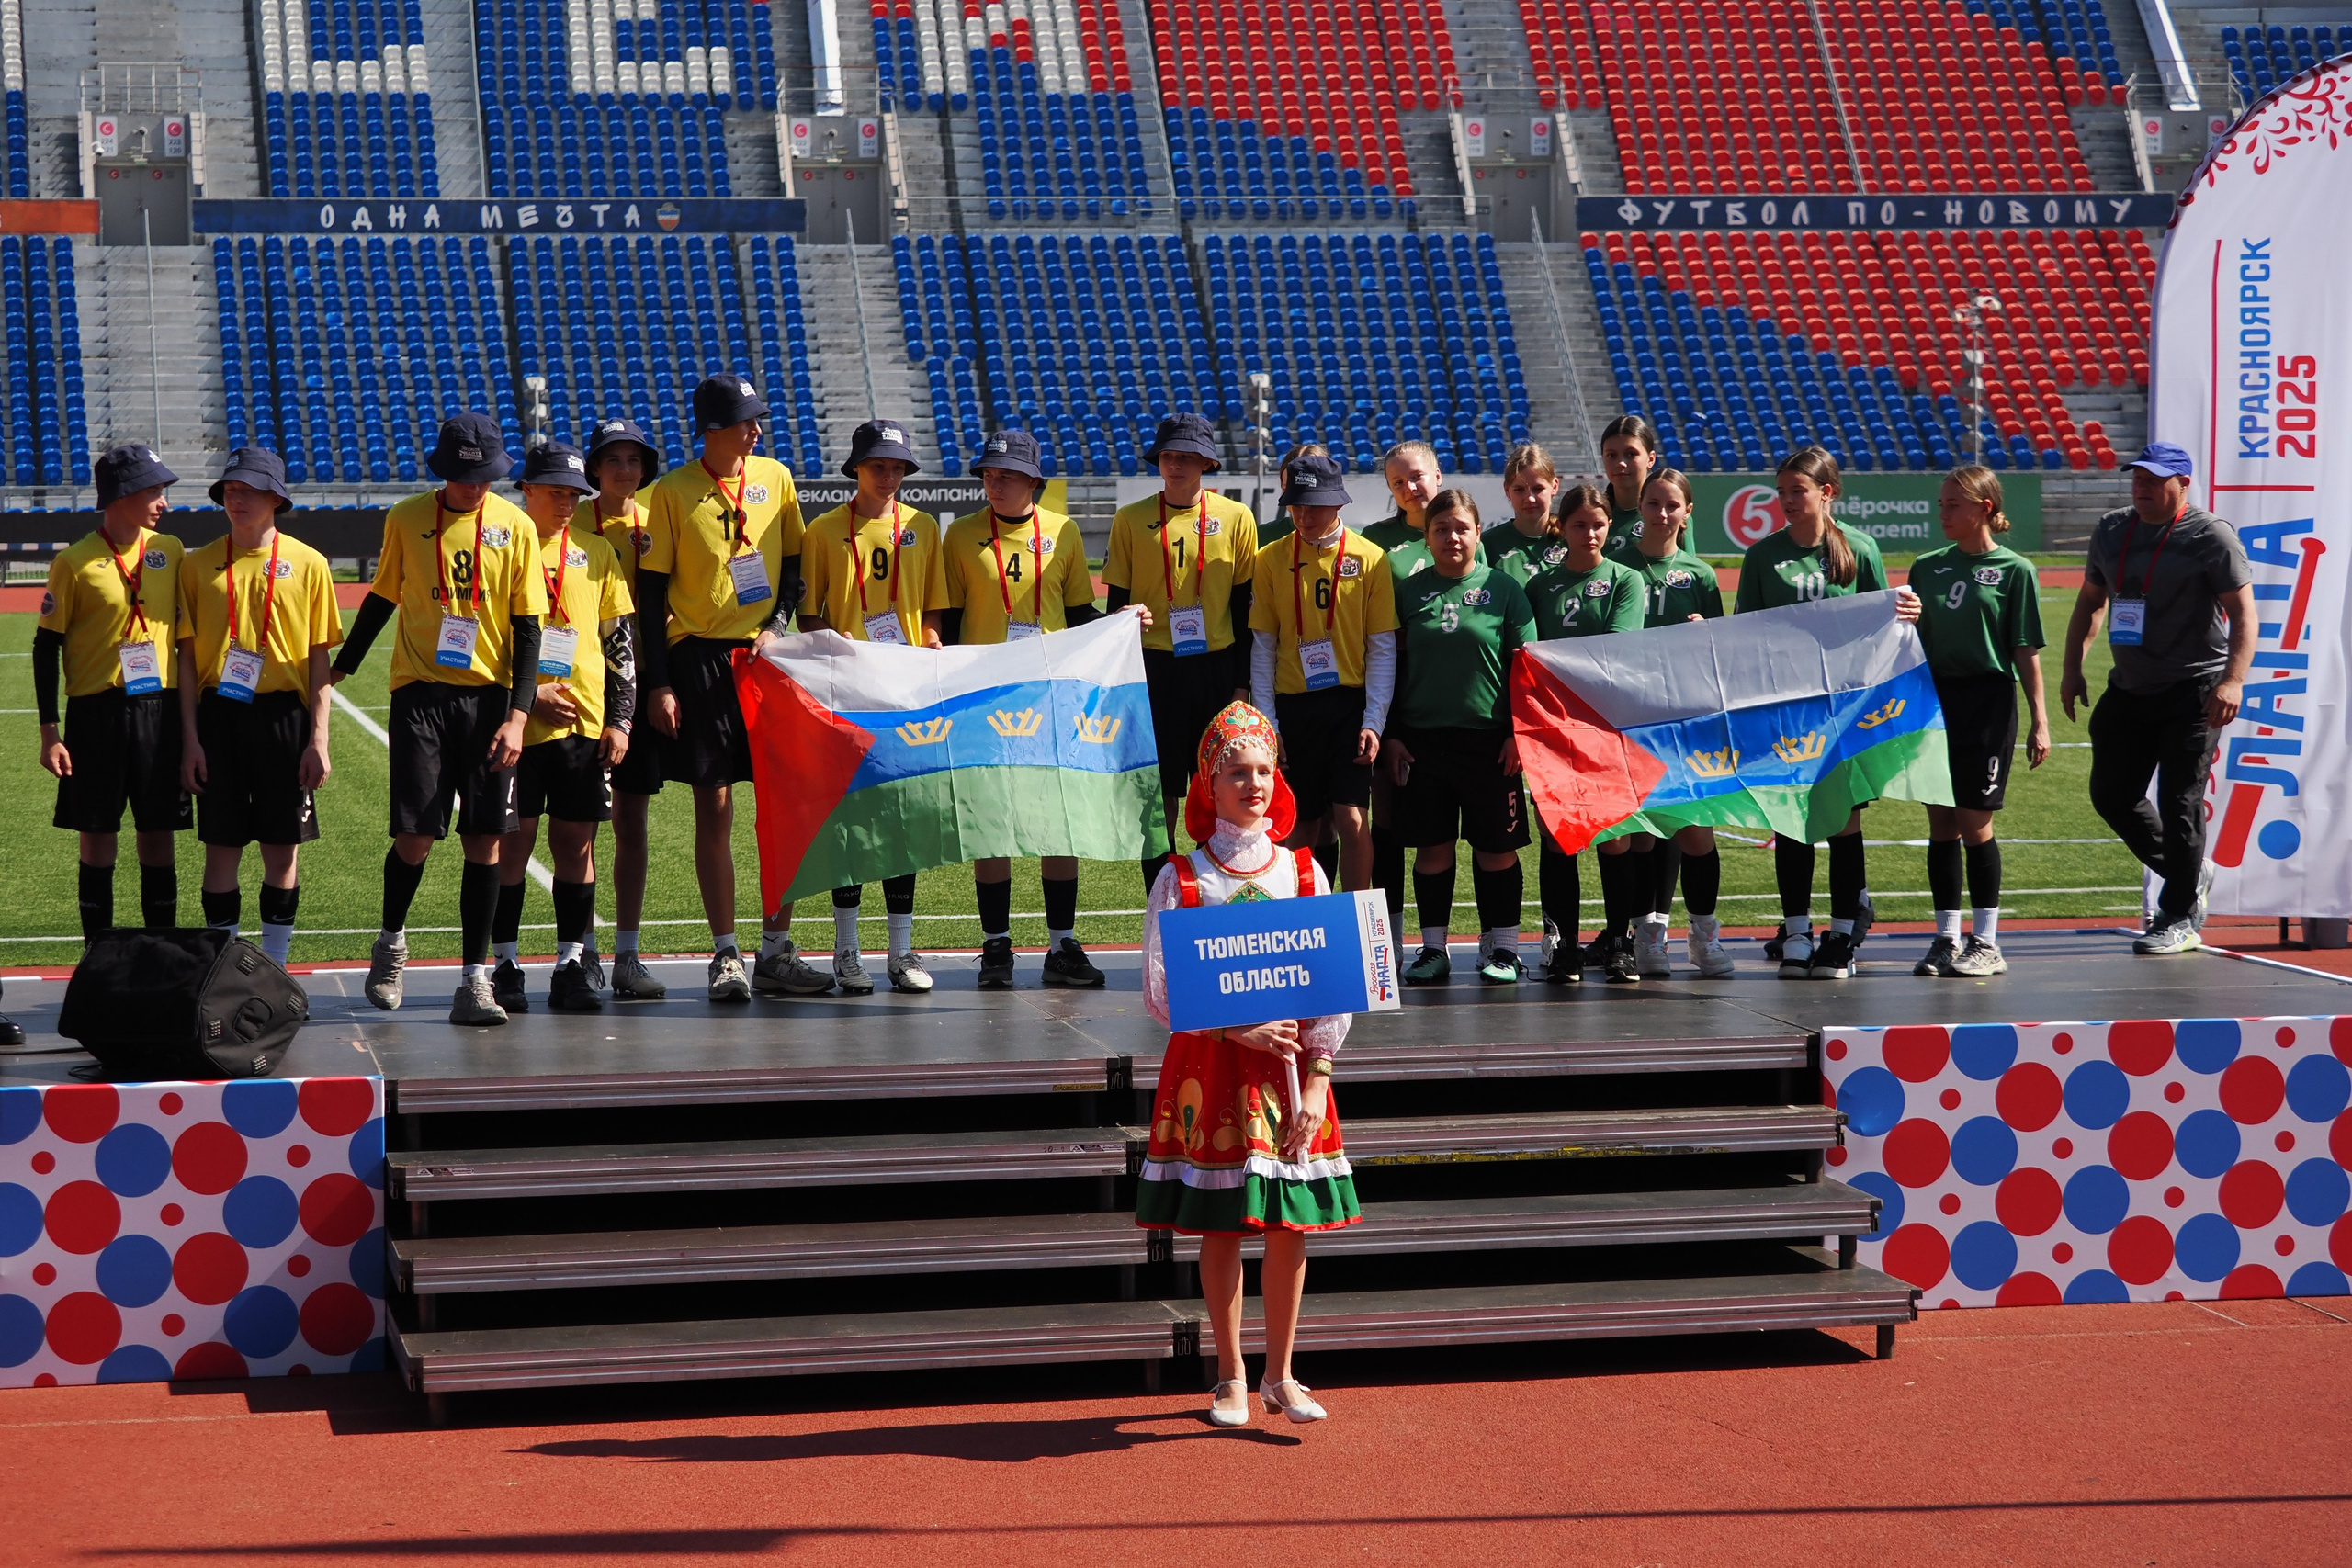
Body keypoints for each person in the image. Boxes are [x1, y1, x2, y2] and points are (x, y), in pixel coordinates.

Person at [1136, 700, 1360, 1427]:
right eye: (1237, 771)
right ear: (1210, 782)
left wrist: (1319, 1077)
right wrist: (1237, 1028)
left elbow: (1334, 982)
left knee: (1290, 1226)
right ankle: (1230, 1374)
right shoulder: (1184, 876)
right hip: (1215, 1069)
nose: (1254, 783)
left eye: (1264, 770)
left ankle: (1282, 1373)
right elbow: (1161, 987)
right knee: (1226, 1226)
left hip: (1291, 1074)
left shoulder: (1304, 869)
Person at [332, 413, 547, 1025]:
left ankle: (474, 980)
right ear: (444, 470)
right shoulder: (405, 518)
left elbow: (529, 626)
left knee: (484, 840)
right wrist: (341, 668)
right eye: (464, 475)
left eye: (485, 476)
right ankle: (392, 941)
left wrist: (519, 716)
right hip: (421, 694)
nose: (475, 486)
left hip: (490, 700)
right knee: (416, 835)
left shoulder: (515, 526)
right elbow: (381, 597)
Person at [637, 374, 822, 1003]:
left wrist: (775, 626)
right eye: (746, 420)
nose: (757, 430)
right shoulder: (671, 493)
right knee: (713, 808)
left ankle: (776, 948)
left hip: (766, 658)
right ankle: (725, 953)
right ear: (712, 429)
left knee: (784, 807)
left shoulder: (778, 477)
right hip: (700, 662)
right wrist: (659, 682)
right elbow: (651, 594)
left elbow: (793, 568)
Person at [941, 428, 1129, 989]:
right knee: (991, 825)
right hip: (983, 694)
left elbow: (1077, 616)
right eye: (988, 474)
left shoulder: (1065, 532)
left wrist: (1121, 622)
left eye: (1005, 475)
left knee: (1057, 824)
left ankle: (1059, 945)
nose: (993, 483)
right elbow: (948, 625)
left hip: (1049, 694)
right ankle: (996, 945)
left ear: (1033, 482)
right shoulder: (960, 537)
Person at [2060, 441, 2254, 957]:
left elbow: (2244, 615)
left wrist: (2232, 681)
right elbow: (2090, 602)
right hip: (2129, 687)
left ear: (2182, 485)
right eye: (2137, 478)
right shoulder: (2113, 529)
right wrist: (2072, 669)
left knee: (2180, 801)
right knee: (2111, 795)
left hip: (2193, 689)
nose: (2141, 487)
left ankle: (2179, 916)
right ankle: (2190, 872)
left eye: (2154, 479)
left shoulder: (2210, 535)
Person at [1734, 446, 1919, 980]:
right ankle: (1796, 932)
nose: (1789, 501)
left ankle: (1841, 938)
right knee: (1793, 819)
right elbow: (1746, 634)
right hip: (1788, 709)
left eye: (1800, 491)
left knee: (1842, 821)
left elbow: (1885, 627)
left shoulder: (1859, 548)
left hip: (1846, 710)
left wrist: (1909, 612)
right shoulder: (1762, 556)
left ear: (1826, 492)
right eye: (1783, 492)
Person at [798, 418, 951, 994]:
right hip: (849, 695)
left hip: (906, 691)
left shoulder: (923, 527)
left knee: (903, 821)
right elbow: (810, 615)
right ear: (856, 469)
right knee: (852, 821)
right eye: (877, 466)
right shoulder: (822, 533)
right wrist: (837, 662)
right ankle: (846, 949)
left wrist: (931, 639)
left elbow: (934, 606)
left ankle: (903, 951)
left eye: (897, 467)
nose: (888, 477)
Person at [175, 446, 340, 968]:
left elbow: (319, 663)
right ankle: (221, 970)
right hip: (218, 717)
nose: (236, 498)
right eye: (230, 490)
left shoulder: (310, 564)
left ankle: (274, 967)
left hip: (284, 720)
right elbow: (185, 662)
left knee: (281, 848)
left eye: (248, 490)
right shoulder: (197, 566)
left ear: (275, 498)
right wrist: (191, 740)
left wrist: (319, 740)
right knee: (220, 847)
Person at [491, 442, 636, 1014]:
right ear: (526, 490)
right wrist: (528, 699)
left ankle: (573, 964)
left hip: (585, 727)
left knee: (576, 844)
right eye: (556, 492)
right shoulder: (503, 547)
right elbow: (485, 642)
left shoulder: (597, 551)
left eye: (575, 494)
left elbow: (619, 644)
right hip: (520, 729)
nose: (567, 503)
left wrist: (621, 720)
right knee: (512, 846)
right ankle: (504, 963)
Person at [37, 444, 190, 945]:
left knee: (158, 834)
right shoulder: (76, 562)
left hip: (159, 711)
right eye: (153, 491)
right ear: (121, 494)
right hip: (95, 714)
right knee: (97, 837)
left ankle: (160, 956)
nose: (162, 502)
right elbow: (46, 647)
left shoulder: (170, 550)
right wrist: (50, 733)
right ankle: (98, 959)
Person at [1105, 412, 1259, 896]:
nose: (1176, 464)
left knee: (1220, 786)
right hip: (1153, 670)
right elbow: (1114, 610)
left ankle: (1218, 886)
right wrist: (1128, 619)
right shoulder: (1130, 519)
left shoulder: (1236, 518)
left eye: (1187, 456)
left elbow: (1242, 608)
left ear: (1206, 462)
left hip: (1215, 668)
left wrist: (1240, 684)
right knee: (1158, 792)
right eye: (1169, 455)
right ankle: (1161, 895)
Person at [1387, 490, 1537, 986]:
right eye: (1441, 529)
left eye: (1461, 528)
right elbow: (1390, 667)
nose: (1452, 537)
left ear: (1477, 533)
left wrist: (1520, 734)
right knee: (1433, 849)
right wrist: (1393, 736)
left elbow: (1528, 670)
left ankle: (1505, 950)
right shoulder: (1408, 593)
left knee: (1496, 849)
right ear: (1426, 538)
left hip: (1490, 742)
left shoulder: (1504, 589)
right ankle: (1433, 950)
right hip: (1424, 742)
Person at [1908, 465, 2050, 977]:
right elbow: (1909, 642)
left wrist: (2040, 720)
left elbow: (2024, 650)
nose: (1942, 513)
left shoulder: (2016, 571)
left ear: (1984, 508)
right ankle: (1946, 937)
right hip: (1932, 701)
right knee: (1940, 822)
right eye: (1941, 503)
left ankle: (1987, 941)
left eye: (1953, 505)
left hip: (1987, 702)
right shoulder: (1927, 567)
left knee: (1974, 821)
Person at [1249, 454, 1397, 894]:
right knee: (1301, 824)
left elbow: (1382, 648)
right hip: (1294, 709)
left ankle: (1355, 919)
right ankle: (1304, 922)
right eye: (1296, 504)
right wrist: (1269, 725)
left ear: (1337, 504)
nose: (1303, 514)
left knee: (1351, 817)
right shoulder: (1269, 559)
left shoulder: (1371, 559)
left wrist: (1373, 720)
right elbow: (1263, 647)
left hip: (1350, 705)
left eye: (1313, 504)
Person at [1522, 483, 1645, 981]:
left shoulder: (1626, 580)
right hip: (1551, 729)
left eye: (1598, 524)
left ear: (1609, 525)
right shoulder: (1540, 586)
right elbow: (1529, 657)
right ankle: (1564, 946)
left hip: (1606, 729)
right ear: (1563, 528)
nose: (1590, 533)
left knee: (1614, 838)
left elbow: (1617, 651)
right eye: (1579, 525)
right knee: (1559, 840)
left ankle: (1620, 941)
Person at [1621, 468, 1734, 978]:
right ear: (1639, 507)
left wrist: (1706, 633)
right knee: (1644, 834)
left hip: (1688, 720)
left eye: (1673, 506)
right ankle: (1649, 935)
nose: (1662, 514)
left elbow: (1717, 656)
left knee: (1696, 832)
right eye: (1654, 504)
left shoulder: (1702, 575)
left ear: (1687, 513)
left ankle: (1704, 935)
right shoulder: (1617, 568)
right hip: (1636, 719)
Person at [582, 416, 667, 999]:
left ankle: (628, 954)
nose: (625, 470)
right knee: (581, 825)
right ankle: (582, 952)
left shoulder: (655, 524)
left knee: (630, 821)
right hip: (586, 683)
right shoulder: (573, 522)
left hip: (635, 683)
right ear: (594, 469)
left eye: (634, 461)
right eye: (614, 460)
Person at [1483, 440, 1563, 579]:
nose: (1530, 498)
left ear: (1554, 486)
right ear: (1507, 490)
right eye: (1519, 490)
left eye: (1538, 489)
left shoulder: (1572, 539)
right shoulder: (1487, 545)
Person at [1598, 414, 1661, 552]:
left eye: (1631, 454)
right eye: (1611, 455)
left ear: (1651, 459)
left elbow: (1686, 569)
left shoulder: (1668, 512)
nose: (1620, 463)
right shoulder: (1592, 515)